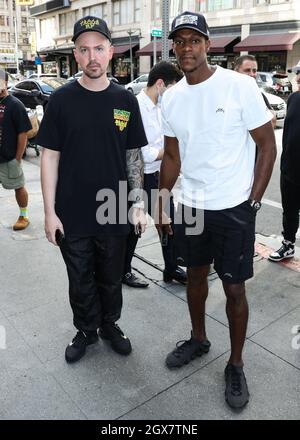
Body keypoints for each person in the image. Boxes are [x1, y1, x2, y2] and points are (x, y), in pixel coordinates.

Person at [156, 11, 276, 409]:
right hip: (191, 205)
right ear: (173, 47)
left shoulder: (238, 87)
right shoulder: (171, 97)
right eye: (180, 41)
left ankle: (236, 364)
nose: (187, 47)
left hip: (233, 208)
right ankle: (198, 338)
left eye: (194, 40)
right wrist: (161, 200)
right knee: (193, 278)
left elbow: (266, 145)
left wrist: (254, 200)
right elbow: (172, 156)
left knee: (235, 287)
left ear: (208, 44)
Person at [37, 16, 148, 363]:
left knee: (111, 276)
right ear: (75, 55)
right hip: (71, 211)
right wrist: (49, 212)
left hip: (115, 207)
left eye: (99, 48)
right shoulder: (60, 101)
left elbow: (133, 157)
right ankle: (86, 329)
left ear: (111, 52)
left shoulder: (125, 101)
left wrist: (137, 204)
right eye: (84, 50)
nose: (92, 56)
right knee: (80, 278)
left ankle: (109, 325)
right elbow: (49, 158)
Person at [123, 61, 187, 288]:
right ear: (160, 84)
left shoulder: (163, 107)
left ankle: (171, 268)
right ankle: (124, 271)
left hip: (160, 176)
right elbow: (142, 152)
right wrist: (169, 154)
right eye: (172, 88)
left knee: (169, 221)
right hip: (139, 178)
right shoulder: (136, 106)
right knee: (134, 229)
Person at [269, 61, 300, 262]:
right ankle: (288, 244)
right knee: (289, 211)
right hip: (290, 169)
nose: (297, 79)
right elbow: (288, 133)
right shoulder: (294, 99)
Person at [0, 69, 32, 231]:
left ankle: (23, 215)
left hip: (9, 157)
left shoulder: (15, 104)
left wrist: (18, 158)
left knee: (18, 186)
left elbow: (23, 133)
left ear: (5, 82)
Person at [234, 55, 276, 129]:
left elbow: (272, 121)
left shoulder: (259, 95)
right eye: (247, 70)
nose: (252, 74)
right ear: (236, 71)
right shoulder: (224, 93)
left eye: (254, 71)